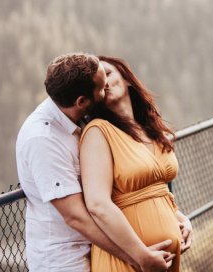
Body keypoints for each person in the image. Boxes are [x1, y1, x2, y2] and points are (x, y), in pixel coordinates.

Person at [15, 53, 178, 272]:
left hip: (98, 247)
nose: (106, 90)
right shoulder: (43, 139)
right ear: (82, 101)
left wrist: (177, 217)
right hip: (66, 260)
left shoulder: (78, 114)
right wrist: (138, 256)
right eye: (101, 88)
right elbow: (76, 216)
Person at [79, 56, 193, 272]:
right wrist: (141, 256)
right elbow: (97, 204)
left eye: (108, 73)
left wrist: (182, 219)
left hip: (163, 258)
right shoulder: (98, 131)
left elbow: (154, 193)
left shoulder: (150, 128)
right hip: (131, 259)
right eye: (96, 82)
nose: (104, 82)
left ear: (127, 78)